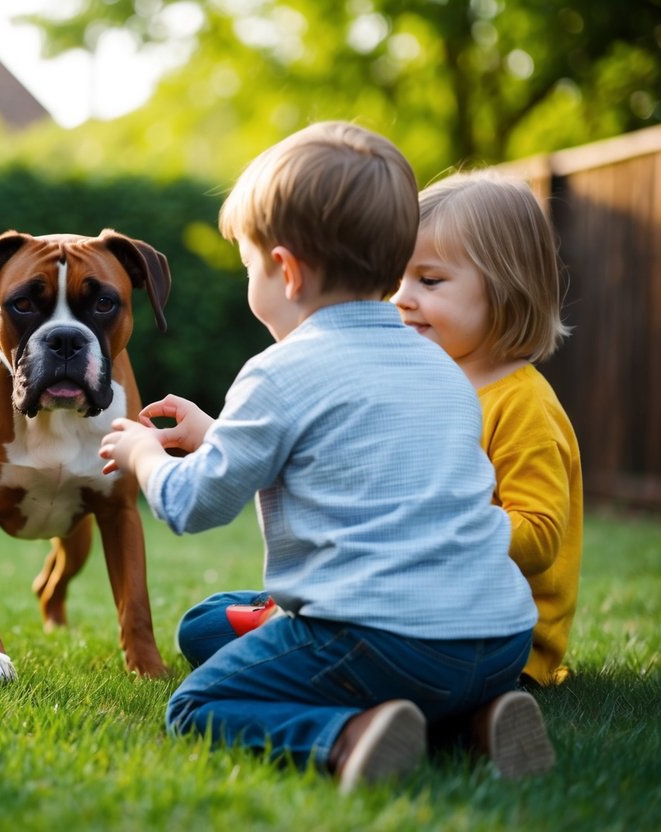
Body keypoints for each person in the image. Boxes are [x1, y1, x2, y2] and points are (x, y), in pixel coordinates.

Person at [98, 122, 553, 791]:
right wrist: (219, 436)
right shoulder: (439, 367)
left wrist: (141, 454)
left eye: (249, 266)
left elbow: (192, 504)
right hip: (500, 639)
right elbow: (342, 452)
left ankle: (348, 735)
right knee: (213, 626)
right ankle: (480, 722)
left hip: (381, 640)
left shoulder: (279, 371)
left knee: (197, 701)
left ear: (284, 269)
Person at [391, 170, 583, 687]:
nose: (401, 298)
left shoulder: (522, 405)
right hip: (414, 610)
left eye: (428, 281)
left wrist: (439, 527)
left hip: (500, 637)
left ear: (504, 290)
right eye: (397, 279)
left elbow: (541, 535)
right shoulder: (425, 385)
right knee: (209, 625)